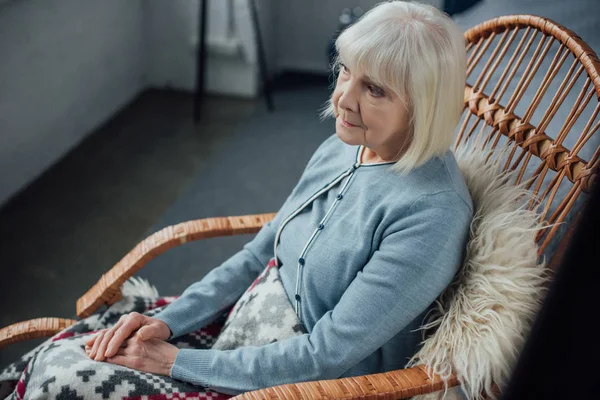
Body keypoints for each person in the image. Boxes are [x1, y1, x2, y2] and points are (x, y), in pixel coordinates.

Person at [85, 1, 473, 395]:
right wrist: (168, 322)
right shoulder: (343, 147)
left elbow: (328, 355)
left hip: (318, 385)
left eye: (373, 89)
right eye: (345, 72)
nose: (343, 99)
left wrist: (174, 361)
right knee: (76, 361)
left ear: (425, 104)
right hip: (245, 331)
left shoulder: (431, 214)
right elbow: (260, 254)